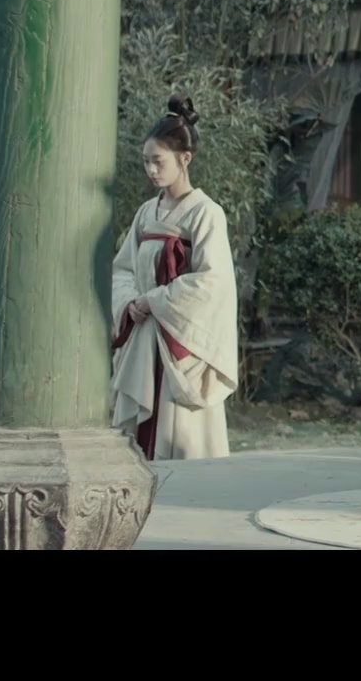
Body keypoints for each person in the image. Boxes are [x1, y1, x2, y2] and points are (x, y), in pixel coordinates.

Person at [110, 95, 239, 461]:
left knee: (181, 438)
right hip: (144, 339)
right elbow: (123, 269)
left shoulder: (205, 213)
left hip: (180, 344)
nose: (151, 170)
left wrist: (154, 300)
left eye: (158, 161)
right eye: (146, 162)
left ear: (185, 158)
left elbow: (212, 282)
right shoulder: (145, 213)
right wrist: (130, 303)